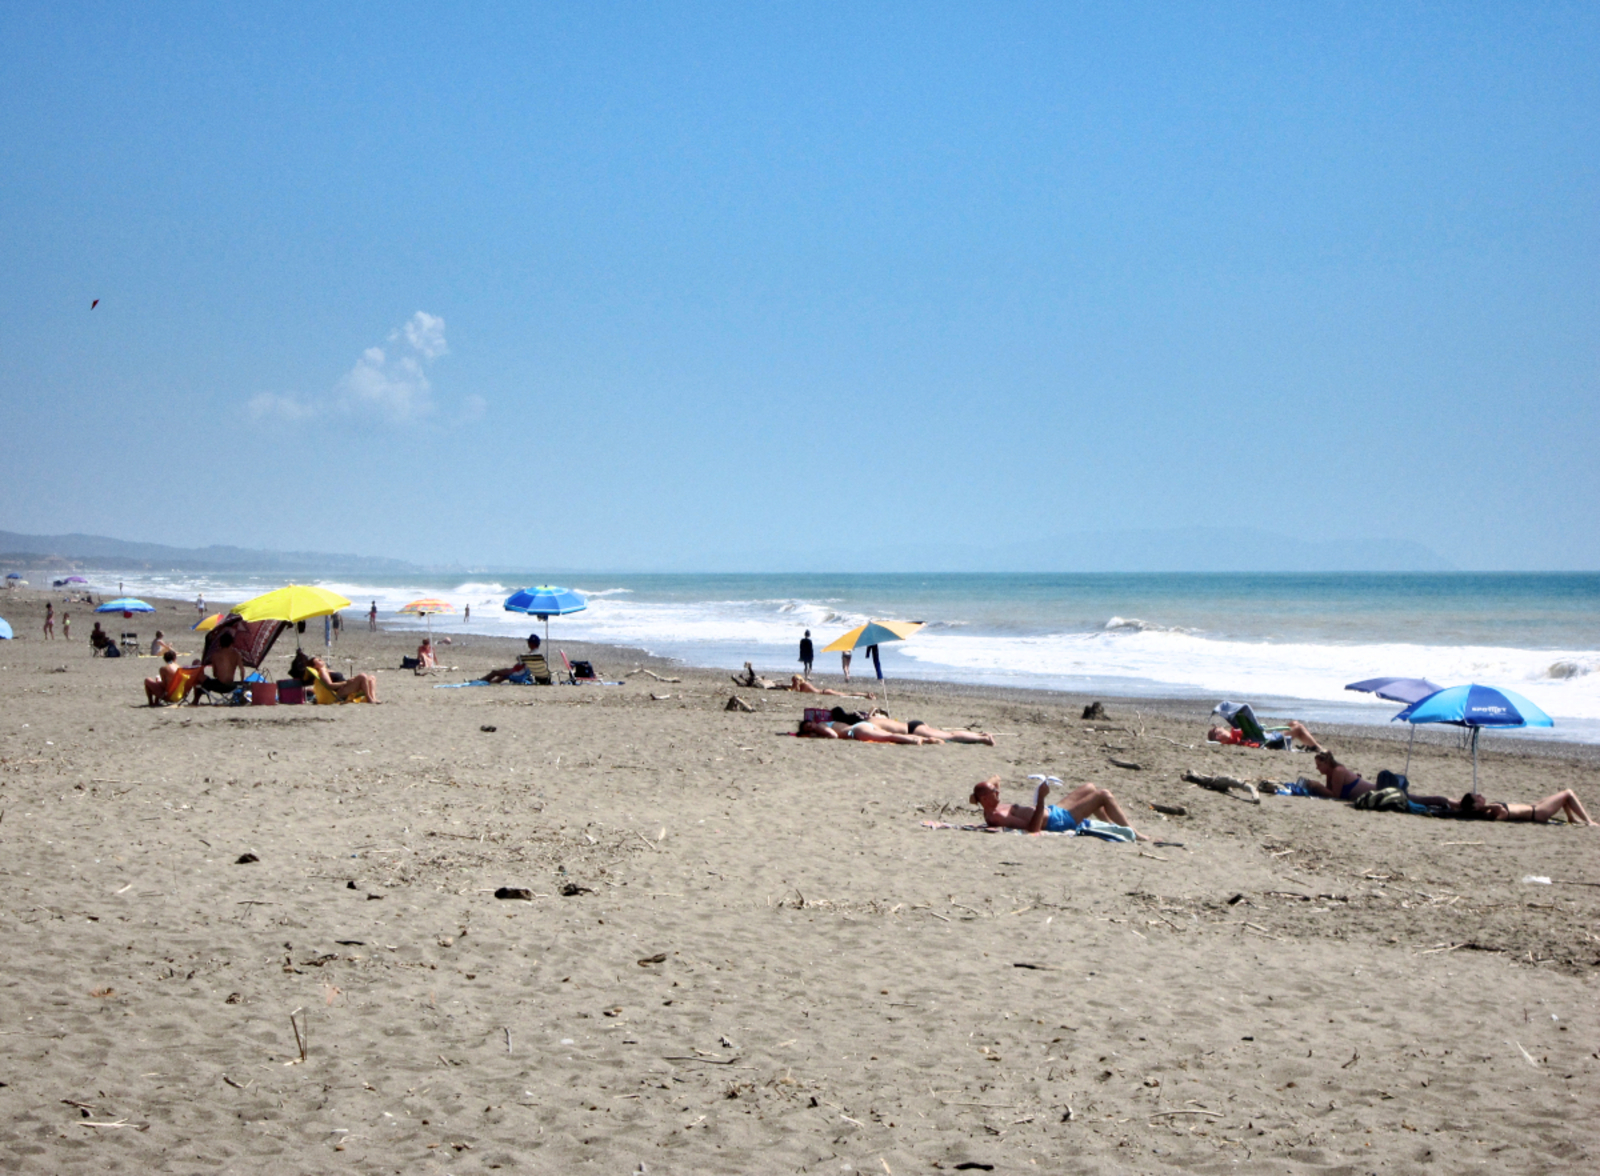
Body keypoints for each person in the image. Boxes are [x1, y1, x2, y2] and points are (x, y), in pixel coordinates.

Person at [970, 775, 1147, 840]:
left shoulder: (991, 802)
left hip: (1054, 810)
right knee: (1103, 795)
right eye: (995, 792)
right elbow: (1033, 828)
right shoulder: (997, 816)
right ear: (986, 798)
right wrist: (1040, 799)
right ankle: (1135, 833)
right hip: (1058, 821)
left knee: (1090, 787)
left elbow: (996, 778)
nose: (998, 792)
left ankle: (1112, 825)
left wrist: (974, 797)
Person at [1452, 790, 1596, 825]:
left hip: (1535, 807)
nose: (1480, 794)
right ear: (1476, 805)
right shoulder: (1490, 814)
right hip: (1537, 813)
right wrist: (1482, 808)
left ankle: (1572, 818)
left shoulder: (1487, 812)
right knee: (1568, 793)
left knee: (1562, 798)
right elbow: (1499, 809)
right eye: (1477, 797)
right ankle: (1589, 821)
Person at [853, 711, 996, 745]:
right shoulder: (875, 717)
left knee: (950, 736)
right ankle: (980, 735)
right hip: (912, 725)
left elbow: (885, 735)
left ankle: (983, 739)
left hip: (912, 730)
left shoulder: (871, 724)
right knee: (948, 734)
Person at [1302, 750, 1374, 802]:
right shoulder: (1330, 773)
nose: (1317, 768)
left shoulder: (1338, 771)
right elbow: (1328, 792)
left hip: (1375, 791)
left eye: (1319, 765)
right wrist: (1315, 787)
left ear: (1327, 763)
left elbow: (1335, 796)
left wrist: (1318, 786)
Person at [1207, 719, 1322, 752]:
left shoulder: (1233, 734)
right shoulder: (1232, 738)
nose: (1221, 727)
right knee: (1298, 728)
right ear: (1218, 736)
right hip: (1267, 742)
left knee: (1294, 723)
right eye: (1218, 729)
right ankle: (1318, 749)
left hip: (1266, 736)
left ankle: (1313, 745)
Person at [797, 718, 938, 744]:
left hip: (856, 730)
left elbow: (833, 736)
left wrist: (817, 735)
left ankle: (914, 740)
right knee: (889, 735)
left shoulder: (822, 727)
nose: (812, 728)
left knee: (889, 737)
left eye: (810, 726)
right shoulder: (829, 722)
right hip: (863, 725)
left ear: (814, 723)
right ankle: (926, 739)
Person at [309, 655, 380, 703]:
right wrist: (346, 683)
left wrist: (348, 681)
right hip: (340, 691)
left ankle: (373, 698)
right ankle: (369, 698)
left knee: (371, 678)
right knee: (363, 676)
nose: (321, 660)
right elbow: (330, 685)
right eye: (318, 660)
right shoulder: (322, 671)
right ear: (315, 666)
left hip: (345, 686)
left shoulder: (327, 670)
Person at [787, 675, 874, 698]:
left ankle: (866, 695)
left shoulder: (804, 685)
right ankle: (865, 695)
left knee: (847, 694)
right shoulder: (803, 684)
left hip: (825, 692)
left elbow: (797, 691)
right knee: (846, 694)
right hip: (825, 692)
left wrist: (796, 684)